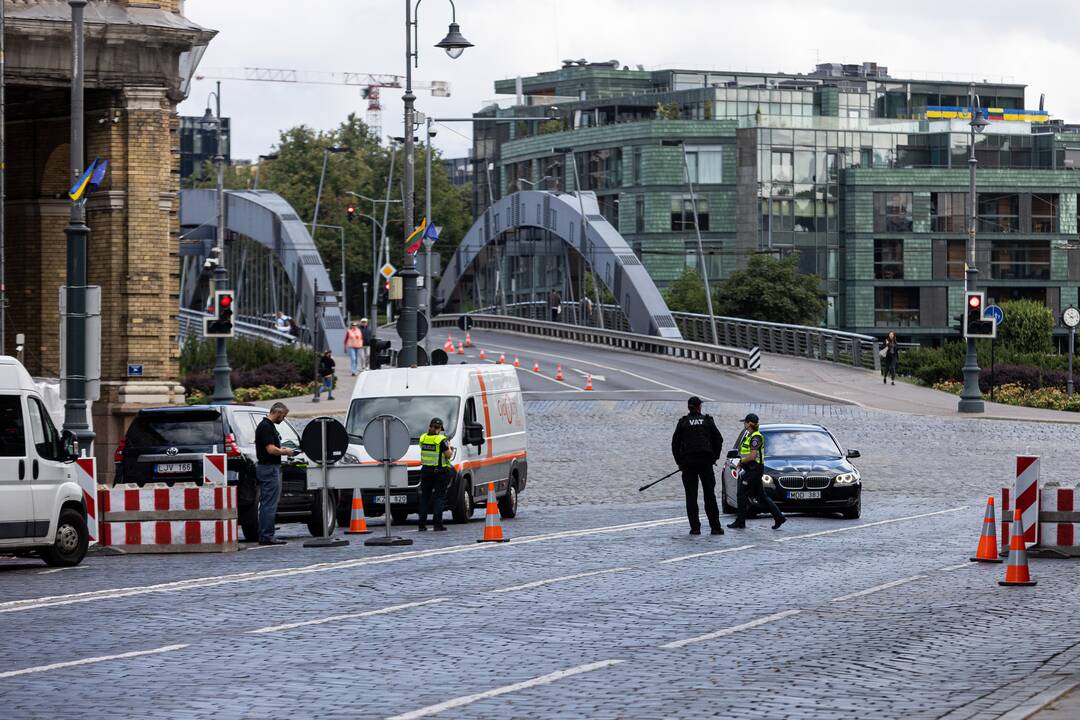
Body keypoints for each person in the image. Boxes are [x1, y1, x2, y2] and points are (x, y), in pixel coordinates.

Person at [670, 396, 725, 536]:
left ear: (689, 407)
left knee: (691, 496)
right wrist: (715, 457)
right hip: (706, 462)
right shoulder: (707, 421)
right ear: (699, 407)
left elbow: (675, 444)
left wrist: (680, 462)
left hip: (688, 464)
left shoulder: (683, 423)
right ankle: (715, 527)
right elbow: (718, 439)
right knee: (709, 495)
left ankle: (695, 528)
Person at [728, 413, 786, 530]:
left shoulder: (756, 437)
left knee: (741, 494)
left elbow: (753, 455)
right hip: (752, 469)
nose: (744, 424)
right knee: (761, 496)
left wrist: (741, 462)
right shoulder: (750, 436)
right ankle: (779, 517)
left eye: (745, 422)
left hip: (754, 469)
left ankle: (740, 521)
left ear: (749, 423)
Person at [254, 402, 297, 545]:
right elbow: (271, 450)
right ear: (278, 412)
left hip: (268, 468)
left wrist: (281, 448)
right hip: (269, 468)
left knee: (267, 502)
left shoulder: (267, 426)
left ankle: (265, 534)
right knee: (269, 504)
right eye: (283, 416)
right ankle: (267, 536)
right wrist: (285, 451)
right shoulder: (266, 427)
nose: (283, 419)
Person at [417, 417, 453, 532]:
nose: (437, 429)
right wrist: (450, 447)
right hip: (439, 472)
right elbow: (448, 455)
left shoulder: (423, 438)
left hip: (426, 471)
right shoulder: (441, 440)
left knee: (424, 498)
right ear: (439, 428)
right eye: (438, 428)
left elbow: (425, 449)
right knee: (439, 498)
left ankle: (421, 525)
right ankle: (438, 525)